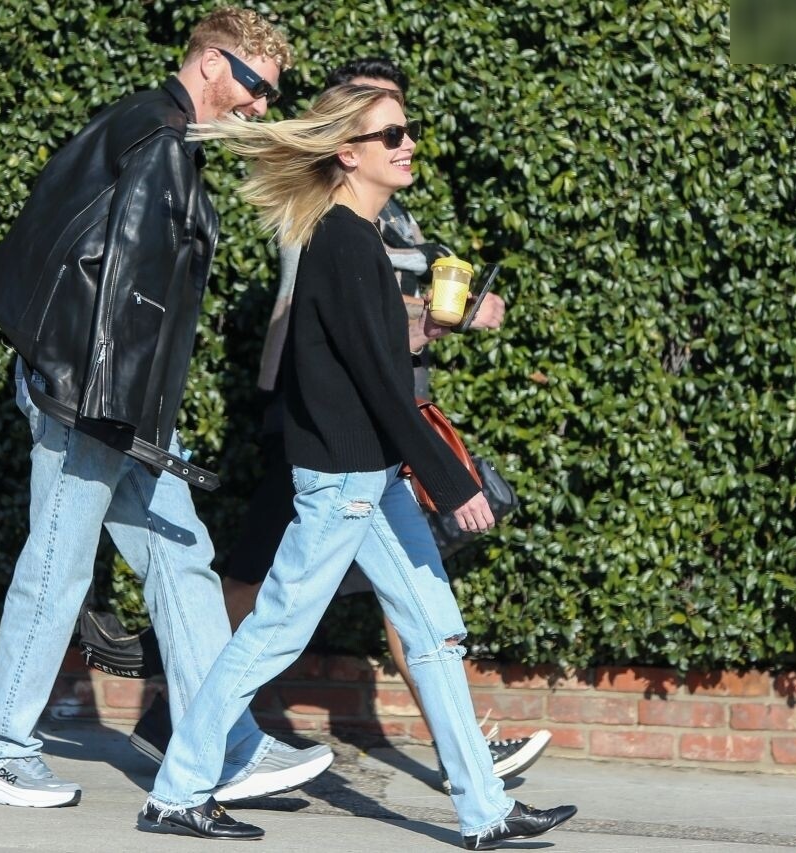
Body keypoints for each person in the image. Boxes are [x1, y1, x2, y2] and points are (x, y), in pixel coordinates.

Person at [138, 84, 577, 849]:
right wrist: (451, 480)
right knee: (273, 634)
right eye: (391, 135)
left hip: (370, 476)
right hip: (343, 481)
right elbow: (377, 382)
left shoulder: (356, 238)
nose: (408, 145)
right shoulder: (341, 240)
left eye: (407, 131)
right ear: (348, 152)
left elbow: (371, 356)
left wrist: (429, 329)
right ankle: (177, 792)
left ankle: (485, 810)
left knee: (434, 629)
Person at [0, 7, 334, 810]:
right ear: (211, 63)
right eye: (255, 84)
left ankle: (222, 743)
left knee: (182, 554)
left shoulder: (155, 132)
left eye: (269, 91)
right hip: (94, 400)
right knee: (58, 565)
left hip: (116, 401)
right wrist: (108, 411)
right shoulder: (158, 139)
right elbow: (123, 284)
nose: (261, 104)